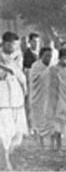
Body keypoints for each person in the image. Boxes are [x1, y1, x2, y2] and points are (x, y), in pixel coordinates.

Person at [0, 31, 28, 170]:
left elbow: (20, 75)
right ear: (5, 43)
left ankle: (7, 158)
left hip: (17, 100)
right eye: (11, 45)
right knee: (4, 132)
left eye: (16, 45)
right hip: (3, 101)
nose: (13, 48)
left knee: (18, 134)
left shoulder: (18, 57)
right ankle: (5, 163)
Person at [29, 47, 52, 147]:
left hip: (47, 98)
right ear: (41, 56)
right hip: (37, 97)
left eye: (50, 56)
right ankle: (40, 142)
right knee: (38, 120)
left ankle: (48, 143)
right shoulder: (35, 66)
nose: (48, 58)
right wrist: (48, 72)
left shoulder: (49, 67)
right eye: (46, 56)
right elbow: (35, 79)